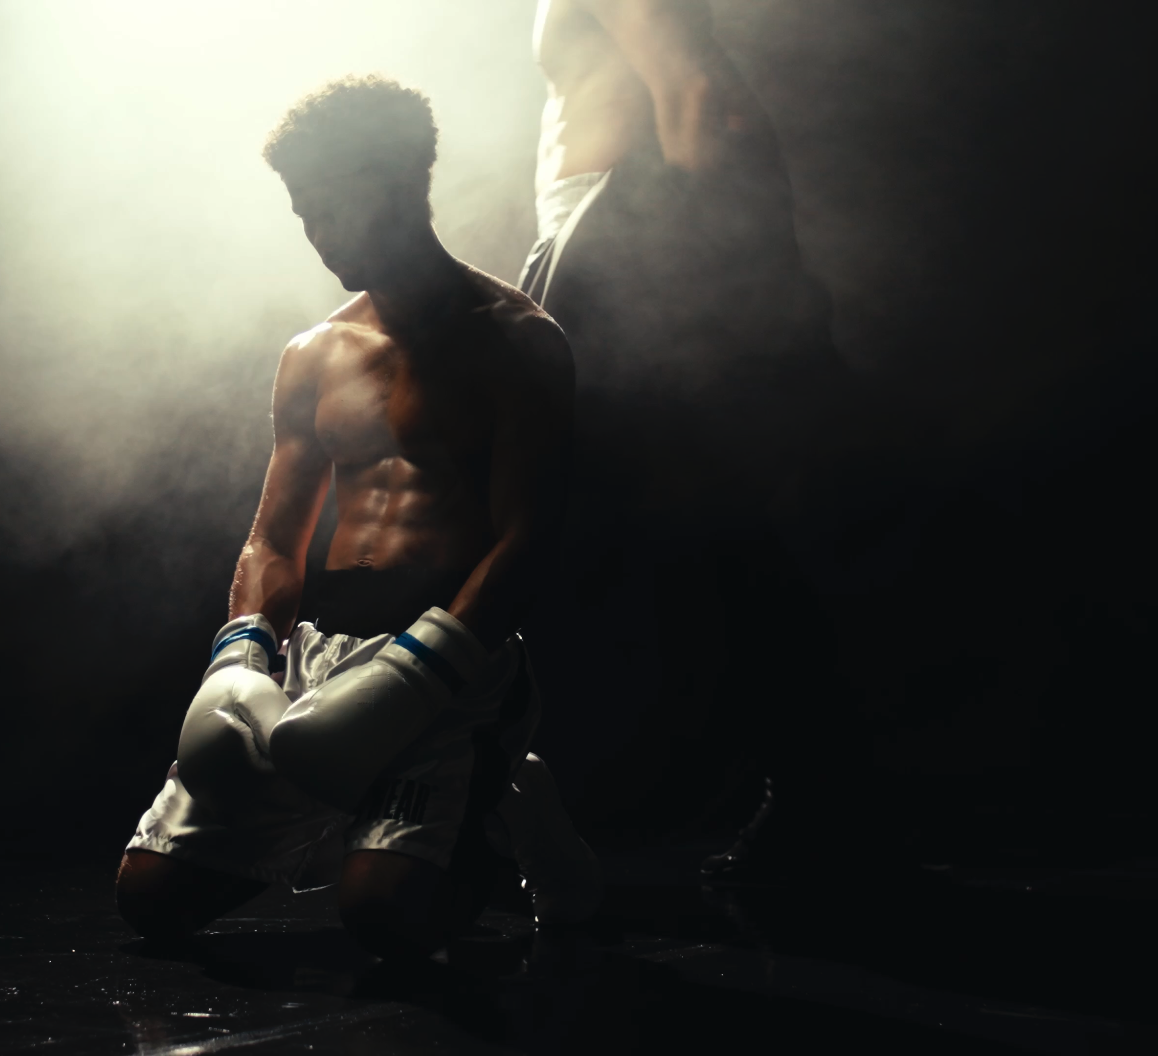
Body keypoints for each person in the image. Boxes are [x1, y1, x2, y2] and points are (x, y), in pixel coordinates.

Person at [116, 76, 600, 958]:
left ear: (390, 185)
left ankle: (501, 799)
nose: (316, 236)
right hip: (313, 663)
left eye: (329, 208)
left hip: (446, 660)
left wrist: (413, 679)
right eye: (303, 213)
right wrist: (239, 660)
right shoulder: (313, 355)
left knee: (385, 916)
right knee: (147, 899)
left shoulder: (519, 343)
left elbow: (526, 538)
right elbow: (273, 536)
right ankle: (390, 815)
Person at [520, 0, 855, 878]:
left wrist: (715, 276)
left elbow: (695, 86)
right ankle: (811, 802)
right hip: (606, 230)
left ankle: (817, 804)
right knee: (701, 532)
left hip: (624, 234)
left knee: (680, 527)